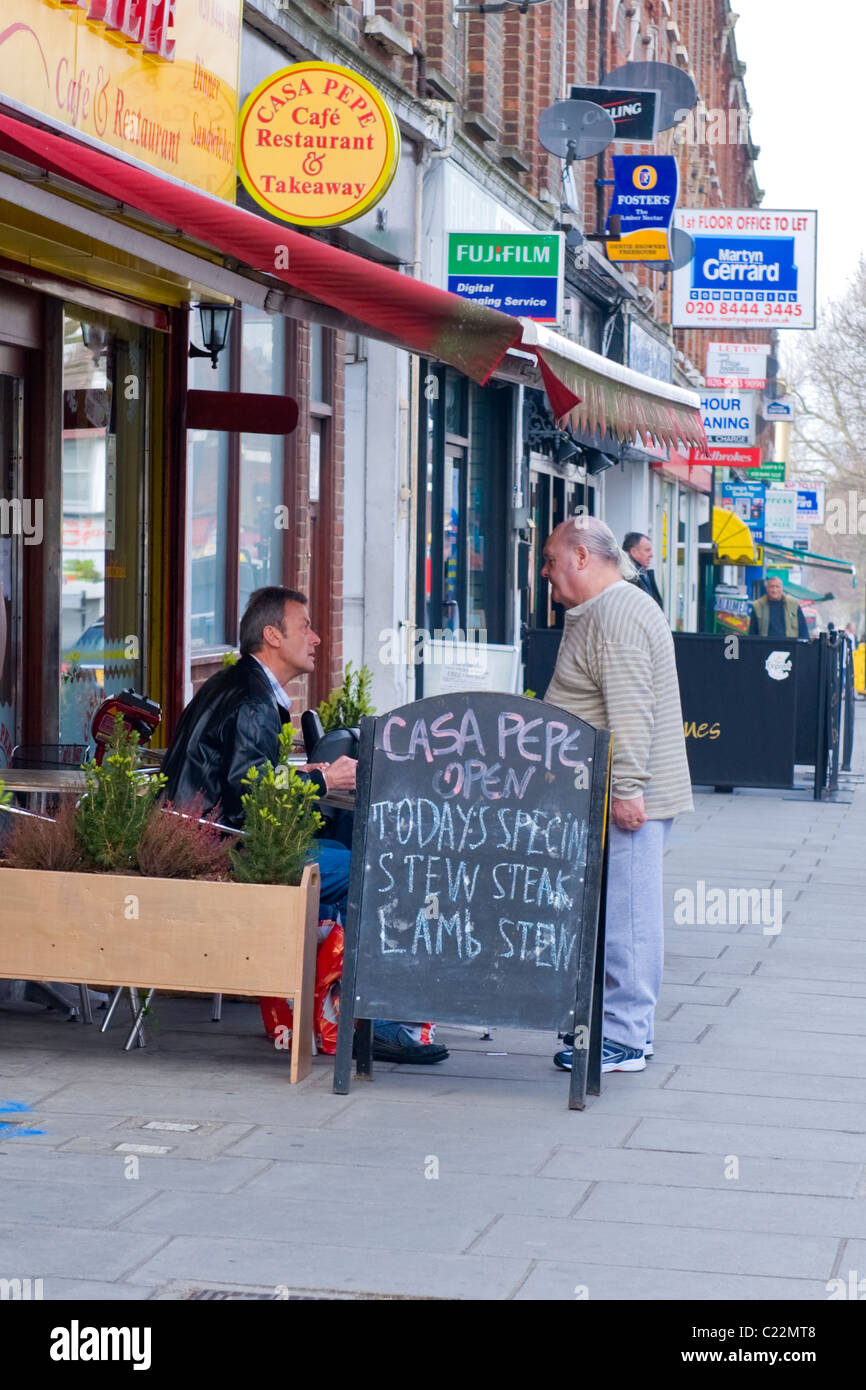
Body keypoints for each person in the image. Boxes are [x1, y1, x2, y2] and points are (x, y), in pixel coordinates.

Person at [162, 586, 448, 1066]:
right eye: (305, 628)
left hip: (209, 841)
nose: (316, 638)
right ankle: (374, 1024)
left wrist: (313, 777)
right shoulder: (253, 701)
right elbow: (248, 797)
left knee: (344, 853)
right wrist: (322, 779)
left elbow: (241, 781)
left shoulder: (234, 685)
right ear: (272, 635)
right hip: (229, 850)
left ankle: (330, 1002)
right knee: (373, 871)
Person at [541, 517, 693, 1074]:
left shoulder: (618, 614)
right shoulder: (601, 611)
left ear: (581, 557)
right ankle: (623, 1030)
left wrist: (627, 791)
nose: (545, 571)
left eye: (552, 559)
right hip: (606, 791)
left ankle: (626, 1038)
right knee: (618, 912)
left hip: (625, 797)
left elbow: (632, 711)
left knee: (628, 916)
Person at [623, 531, 663, 609]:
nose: (651, 555)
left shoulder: (642, 575)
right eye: (647, 550)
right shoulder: (628, 578)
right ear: (633, 552)